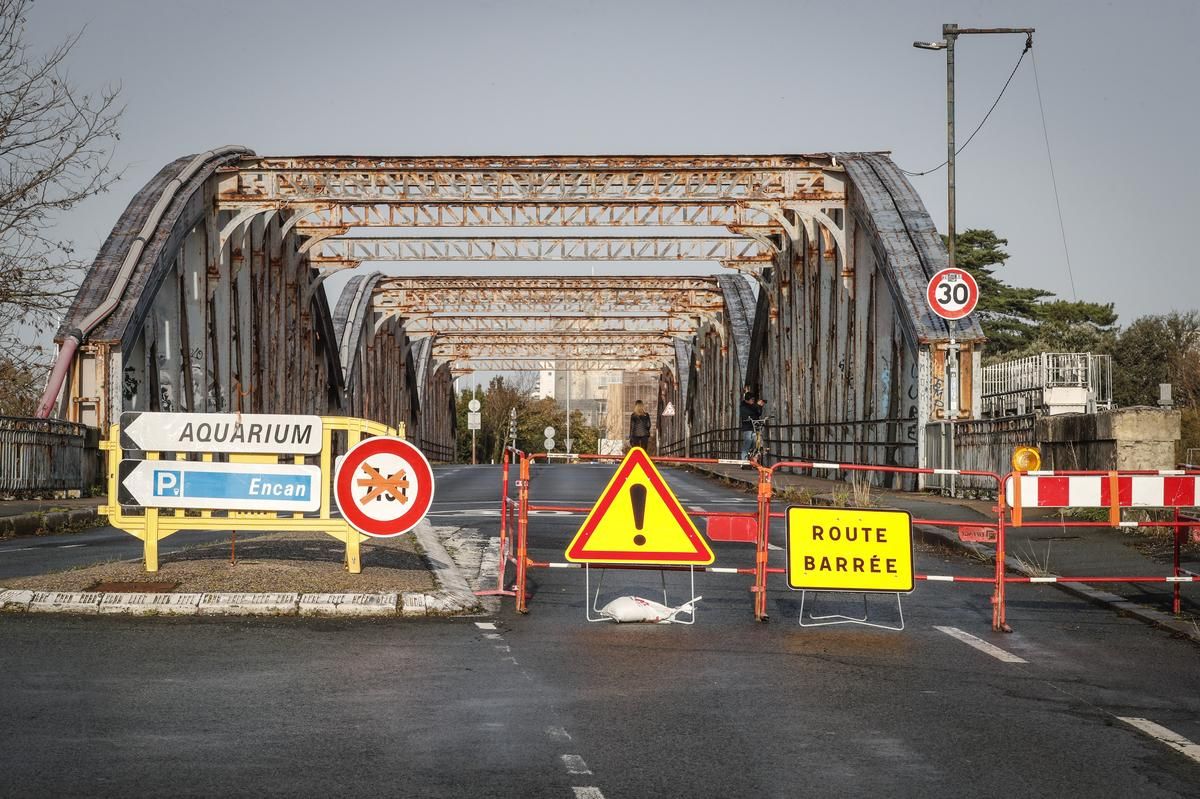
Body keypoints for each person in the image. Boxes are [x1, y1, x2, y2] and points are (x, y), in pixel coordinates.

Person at [739, 386, 766, 460]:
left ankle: (754, 458)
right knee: (747, 443)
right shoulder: (743, 406)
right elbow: (749, 413)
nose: (753, 401)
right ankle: (744, 461)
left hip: (755, 427)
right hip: (748, 428)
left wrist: (760, 407)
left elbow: (758, 414)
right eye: (752, 399)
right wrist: (757, 406)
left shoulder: (753, 405)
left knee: (756, 442)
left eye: (754, 399)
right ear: (747, 399)